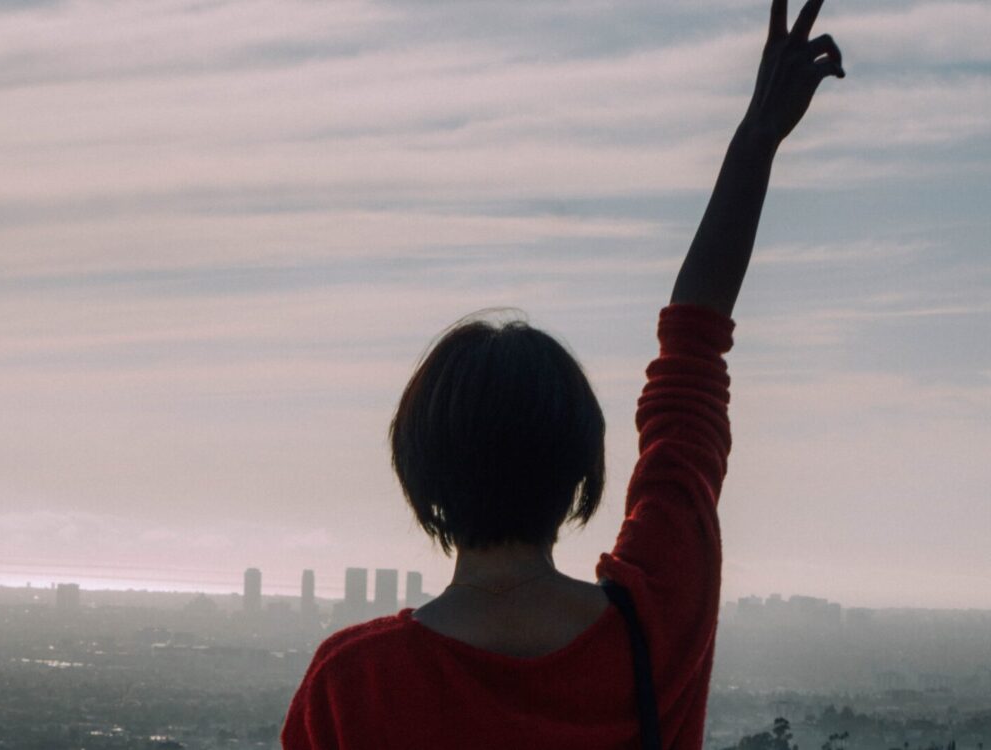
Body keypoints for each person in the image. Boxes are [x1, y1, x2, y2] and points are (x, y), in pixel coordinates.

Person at [281, 0, 844, 747]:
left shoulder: (354, 687)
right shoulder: (651, 633)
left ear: (421, 474)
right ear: (582, 474)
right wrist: (756, 141)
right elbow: (691, 377)